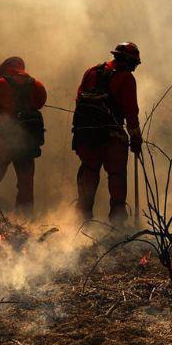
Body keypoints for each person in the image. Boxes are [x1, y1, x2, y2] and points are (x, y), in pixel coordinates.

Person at [72, 42, 143, 223]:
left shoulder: (91, 71)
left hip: (86, 135)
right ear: (128, 61)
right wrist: (135, 137)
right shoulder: (125, 78)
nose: (134, 68)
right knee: (117, 175)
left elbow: (79, 99)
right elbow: (131, 112)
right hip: (112, 137)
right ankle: (117, 223)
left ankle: (82, 220)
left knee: (88, 172)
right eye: (134, 64)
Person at [0, 56, 47, 215]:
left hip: (5, 138)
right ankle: (24, 221)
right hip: (28, 140)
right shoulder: (36, 84)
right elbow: (40, 103)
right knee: (25, 183)